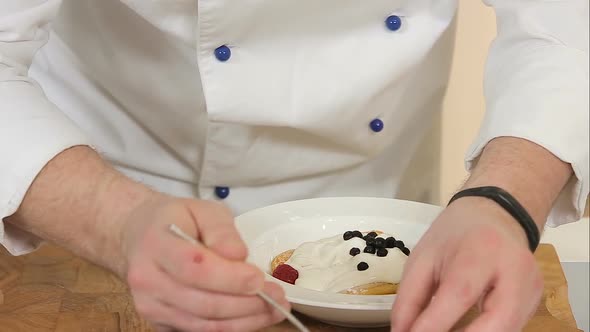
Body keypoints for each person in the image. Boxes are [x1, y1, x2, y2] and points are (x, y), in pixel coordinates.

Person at [1, 1, 588, 331]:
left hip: (387, 207)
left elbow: (570, 26)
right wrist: (114, 222)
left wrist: (502, 203)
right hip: (106, 197)